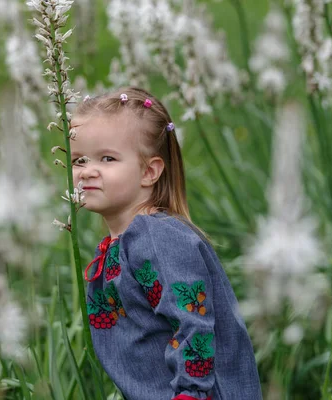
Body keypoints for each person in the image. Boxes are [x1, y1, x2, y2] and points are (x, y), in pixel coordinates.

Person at [70, 87, 262, 400]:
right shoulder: (121, 243)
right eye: (79, 160)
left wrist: (190, 393)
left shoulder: (158, 238)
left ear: (149, 171)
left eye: (107, 158)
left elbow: (193, 324)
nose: (87, 171)